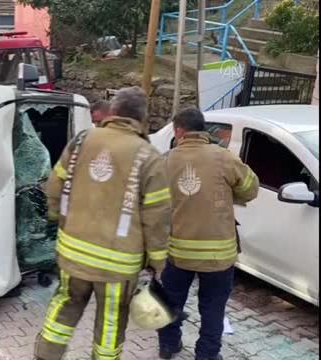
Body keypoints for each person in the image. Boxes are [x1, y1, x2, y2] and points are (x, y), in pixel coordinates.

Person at [34, 87, 171, 360]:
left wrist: (59, 219)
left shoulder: (82, 140)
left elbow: (55, 185)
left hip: (73, 253)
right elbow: (157, 217)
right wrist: (157, 261)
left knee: (65, 305)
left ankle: (45, 355)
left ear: (113, 111)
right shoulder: (149, 156)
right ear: (143, 118)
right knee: (111, 319)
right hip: (118, 264)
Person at [157, 107, 259, 360]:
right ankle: (207, 354)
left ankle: (169, 345)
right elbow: (250, 189)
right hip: (218, 254)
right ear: (203, 129)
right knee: (213, 308)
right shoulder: (224, 158)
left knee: (170, 301)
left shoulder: (166, 160)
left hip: (178, 252)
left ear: (179, 131)